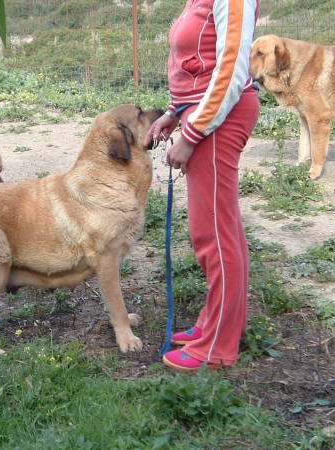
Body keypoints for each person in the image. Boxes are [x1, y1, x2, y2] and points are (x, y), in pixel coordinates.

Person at [144, 0, 261, 371]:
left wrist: (191, 135)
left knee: (213, 234)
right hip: (205, 115)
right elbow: (197, 67)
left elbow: (229, 70)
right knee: (223, 228)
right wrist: (172, 113)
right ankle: (221, 325)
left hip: (218, 121)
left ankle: (217, 348)